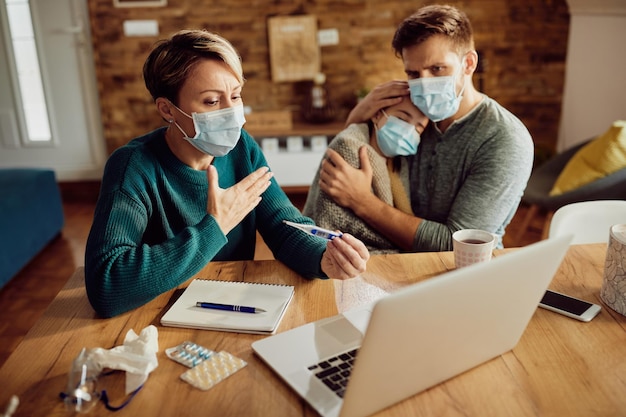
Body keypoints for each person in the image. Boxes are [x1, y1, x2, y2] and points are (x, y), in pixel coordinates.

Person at [84, 29, 369, 318]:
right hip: (154, 315)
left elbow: (284, 226)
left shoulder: (242, 149)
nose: (232, 112)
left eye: (235, 95)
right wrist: (215, 227)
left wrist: (323, 258)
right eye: (211, 101)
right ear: (167, 109)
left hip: (232, 308)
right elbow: (106, 285)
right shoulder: (132, 167)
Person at [318, 4, 533, 252]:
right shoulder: (412, 115)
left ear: (469, 63)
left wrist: (362, 201)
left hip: (466, 272)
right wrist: (359, 114)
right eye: (413, 73)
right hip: (398, 262)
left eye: (437, 69)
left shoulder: (504, 139)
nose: (424, 85)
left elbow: (456, 243)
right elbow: (364, 159)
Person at [303, 96, 428, 253]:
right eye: (402, 118)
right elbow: (330, 221)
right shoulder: (349, 148)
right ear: (377, 115)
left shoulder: (400, 162)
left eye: (418, 128)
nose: (409, 129)